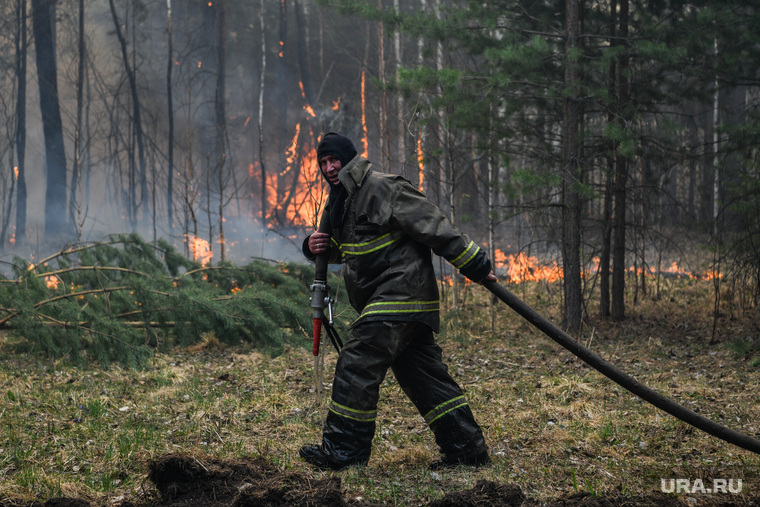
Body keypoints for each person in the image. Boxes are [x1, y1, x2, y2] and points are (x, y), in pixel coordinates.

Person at [300, 132, 497, 471]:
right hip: (386, 298)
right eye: (323, 163)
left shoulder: (383, 187)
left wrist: (475, 264)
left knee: (359, 357)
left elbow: (434, 225)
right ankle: (466, 450)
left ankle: (344, 453)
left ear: (349, 159)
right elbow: (357, 247)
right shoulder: (341, 201)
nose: (329, 168)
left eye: (334, 160)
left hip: (403, 292)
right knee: (422, 375)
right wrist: (315, 247)